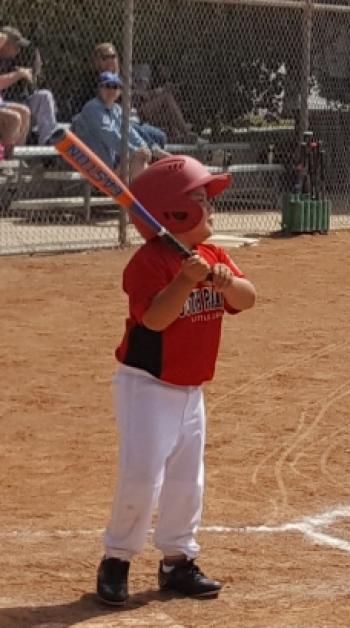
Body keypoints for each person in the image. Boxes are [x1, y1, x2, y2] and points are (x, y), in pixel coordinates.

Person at [94, 155, 257, 606]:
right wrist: (185, 283)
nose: (212, 207)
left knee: (188, 479)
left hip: (191, 389)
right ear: (175, 213)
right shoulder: (149, 264)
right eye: (202, 200)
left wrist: (223, 283)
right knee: (143, 476)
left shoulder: (211, 256)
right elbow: (155, 319)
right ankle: (117, 560)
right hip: (147, 387)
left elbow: (249, 298)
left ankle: (177, 561)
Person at [72, 72, 168, 180]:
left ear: (120, 91)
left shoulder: (116, 109)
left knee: (140, 157)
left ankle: (142, 193)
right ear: (99, 88)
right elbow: (110, 136)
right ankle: (141, 194)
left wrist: (143, 147)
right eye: (107, 86)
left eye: (115, 87)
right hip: (97, 167)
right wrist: (136, 151)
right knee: (137, 157)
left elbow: (130, 132)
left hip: (113, 163)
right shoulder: (93, 108)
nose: (111, 90)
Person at [0, 26, 59, 146]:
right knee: (17, 115)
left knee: (44, 96)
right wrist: (18, 74)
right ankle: (12, 154)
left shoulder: (18, 59)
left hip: (21, 102)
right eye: (15, 46)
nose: (19, 50)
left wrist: (35, 69)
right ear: (4, 44)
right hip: (5, 104)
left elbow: (34, 77)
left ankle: (48, 141)